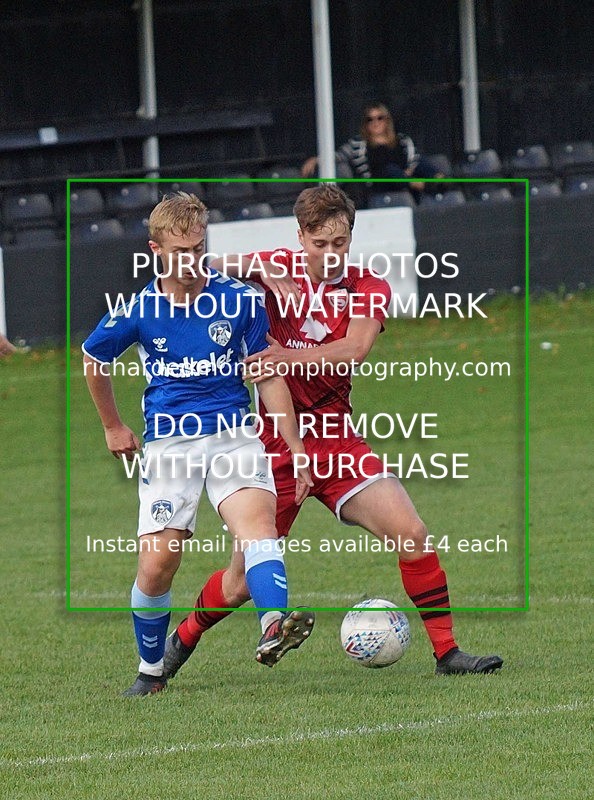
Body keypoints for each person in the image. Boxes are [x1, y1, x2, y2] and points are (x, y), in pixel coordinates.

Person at [163, 185, 503, 679]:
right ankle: (182, 639)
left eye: (339, 243)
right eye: (319, 243)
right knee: (239, 584)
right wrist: (252, 266)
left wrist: (284, 357)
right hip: (271, 447)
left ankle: (448, 653)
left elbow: (355, 349)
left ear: (350, 240)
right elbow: (200, 267)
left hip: (336, 438)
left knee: (412, 533)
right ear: (301, 236)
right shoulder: (276, 267)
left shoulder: (367, 286)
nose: (329, 254)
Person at [82, 192, 315, 696]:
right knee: (158, 564)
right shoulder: (138, 309)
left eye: (198, 248)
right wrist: (112, 426)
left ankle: (274, 625)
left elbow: (266, 374)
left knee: (258, 529)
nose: (191, 261)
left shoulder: (241, 300)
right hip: (171, 444)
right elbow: (94, 359)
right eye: (180, 252)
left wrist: (295, 448)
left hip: (234, 437)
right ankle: (151, 671)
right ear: (156, 250)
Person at [301, 103, 443, 203]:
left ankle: (441, 180)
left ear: (387, 120)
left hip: (404, 179)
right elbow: (338, 155)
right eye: (370, 119)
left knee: (423, 162)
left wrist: (408, 171)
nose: (375, 122)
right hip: (380, 185)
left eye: (380, 118)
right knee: (390, 170)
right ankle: (423, 186)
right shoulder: (358, 143)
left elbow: (414, 159)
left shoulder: (402, 140)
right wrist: (316, 159)